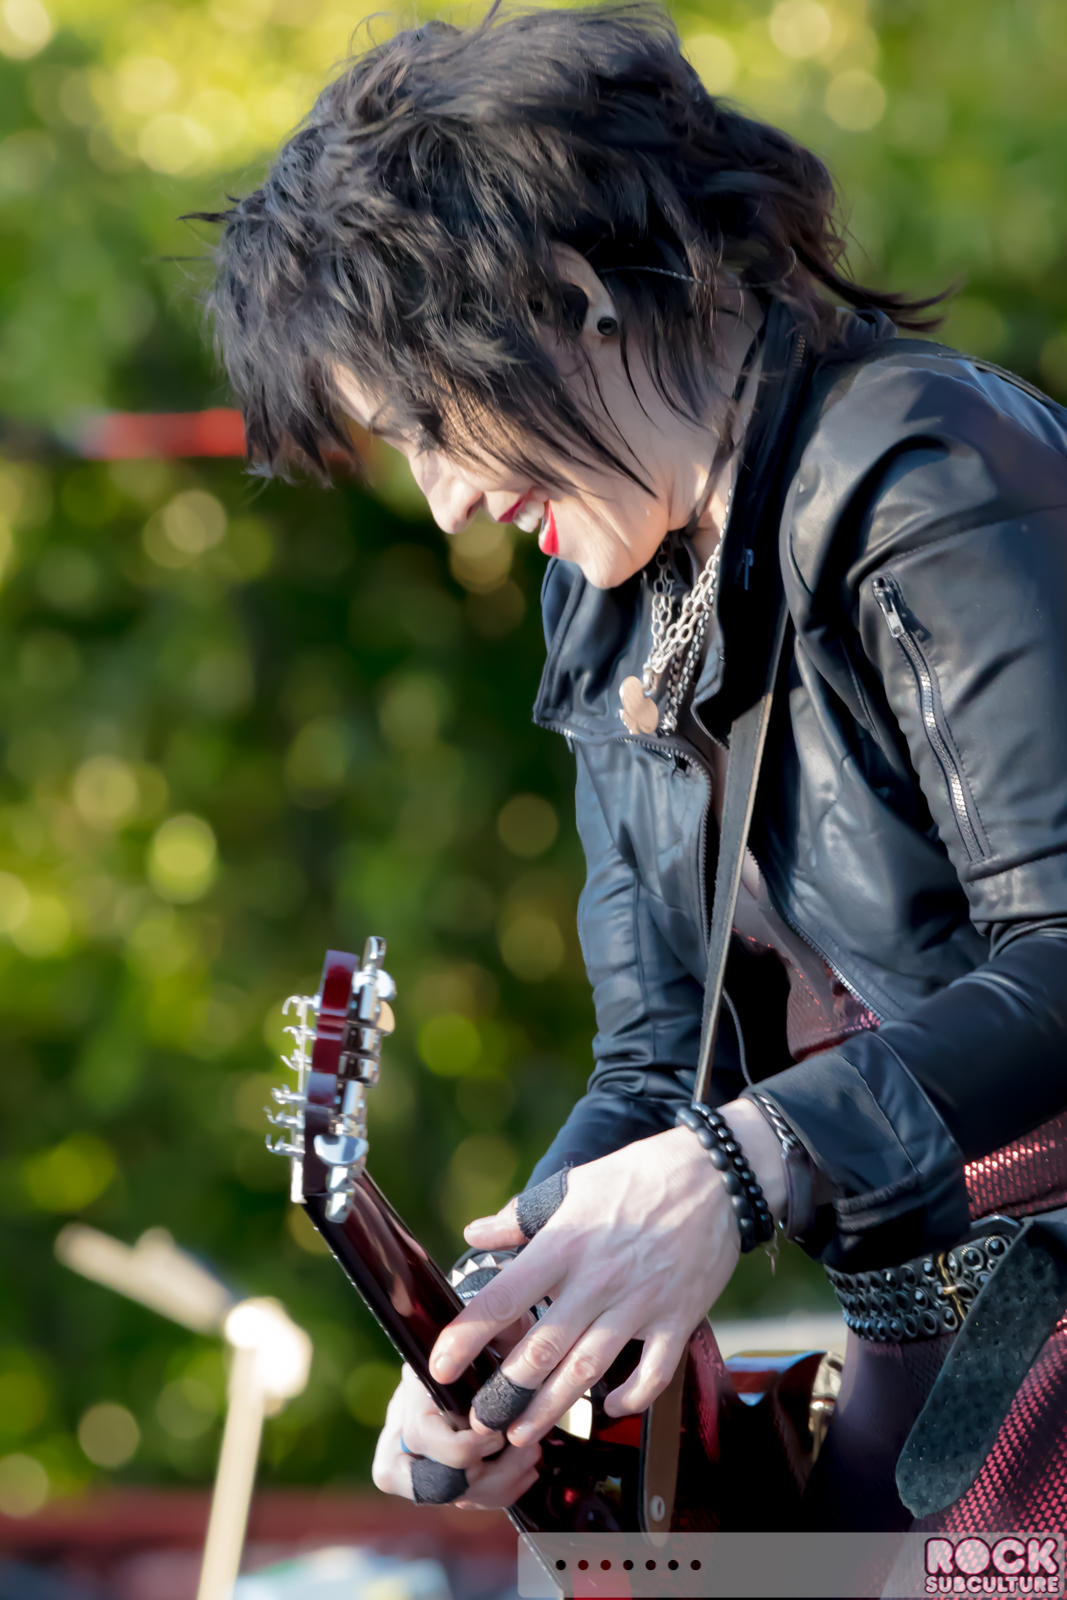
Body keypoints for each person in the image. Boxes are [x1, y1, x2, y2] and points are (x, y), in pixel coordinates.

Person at [199, 3, 1067, 1532]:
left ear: (571, 298)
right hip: (926, 1357)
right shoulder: (610, 589)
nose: (446, 502)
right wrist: (509, 1333)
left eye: (434, 423)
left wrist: (741, 1167)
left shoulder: (924, 473)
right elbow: (658, 1072)